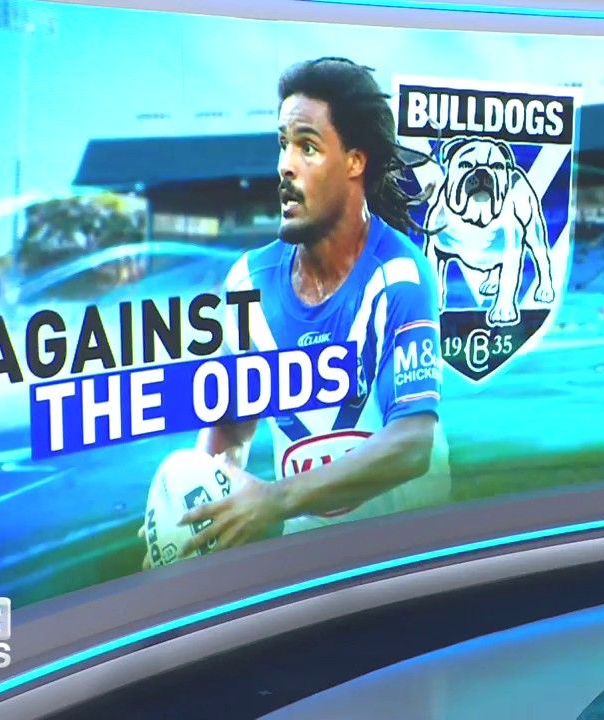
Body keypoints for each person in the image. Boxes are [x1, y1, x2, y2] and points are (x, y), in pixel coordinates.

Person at [145, 57, 451, 563]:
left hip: (409, 568)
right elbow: (229, 429)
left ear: (355, 162)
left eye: (307, 146)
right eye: (282, 144)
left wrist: (275, 499)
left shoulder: (399, 275)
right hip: (310, 572)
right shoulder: (248, 283)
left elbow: (412, 442)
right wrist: (191, 518)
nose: (285, 165)